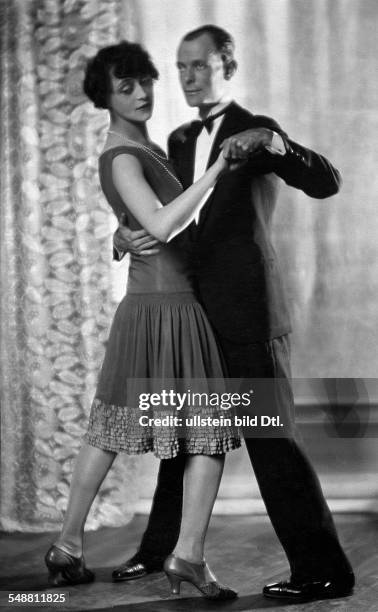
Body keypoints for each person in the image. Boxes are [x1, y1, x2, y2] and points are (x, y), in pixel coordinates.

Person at [112, 25, 355, 603]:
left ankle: (325, 571)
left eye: (200, 65)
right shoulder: (173, 138)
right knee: (183, 435)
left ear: (228, 65)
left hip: (247, 314)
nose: (190, 77)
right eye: (182, 68)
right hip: (188, 314)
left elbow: (327, 182)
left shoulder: (257, 129)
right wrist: (125, 234)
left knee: (273, 443)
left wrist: (274, 143)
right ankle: (158, 555)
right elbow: (165, 218)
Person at [44, 40, 242, 601]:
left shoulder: (140, 146)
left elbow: (140, 223)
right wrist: (219, 169)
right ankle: (188, 556)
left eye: (145, 80)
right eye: (125, 85)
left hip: (160, 303)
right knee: (202, 435)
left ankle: (69, 544)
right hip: (166, 308)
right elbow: (159, 227)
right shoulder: (124, 153)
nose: (142, 93)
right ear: (103, 96)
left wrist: (119, 233)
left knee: (111, 428)